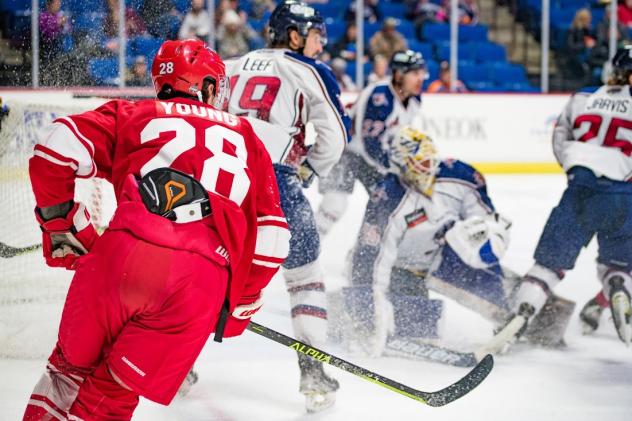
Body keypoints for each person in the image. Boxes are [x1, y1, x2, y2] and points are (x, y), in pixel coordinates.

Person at [22, 39, 290, 420]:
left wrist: (65, 228)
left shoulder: (134, 113)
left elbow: (53, 150)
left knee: (65, 374)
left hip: (119, 258)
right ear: (210, 87)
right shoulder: (247, 137)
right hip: (197, 279)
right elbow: (273, 238)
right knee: (111, 394)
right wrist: (238, 299)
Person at [225, 1, 350, 413]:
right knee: (305, 275)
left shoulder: (231, 64)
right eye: (314, 34)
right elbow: (335, 137)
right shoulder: (309, 70)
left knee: (208, 271)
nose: (320, 42)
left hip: (220, 179)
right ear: (294, 35)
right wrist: (310, 168)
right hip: (272, 180)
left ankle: (175, 360)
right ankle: (313, 371)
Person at [494, 46, 632, 352]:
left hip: (580, 191)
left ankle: (521, 315)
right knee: (617, 265)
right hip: (625, 198)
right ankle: (620, 289)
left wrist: (577, 172)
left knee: (547, 267)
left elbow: (560, 139)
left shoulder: (583, 97)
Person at [340, 126, 513, 355]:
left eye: (430, 159)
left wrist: (490, 234)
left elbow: (486, 220)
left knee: (504, 305)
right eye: (419, 162)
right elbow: (372, 257)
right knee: (419, 332)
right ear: (402, 165)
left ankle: (523, 315)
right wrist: (367, 309)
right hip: (399, 269)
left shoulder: (460, 176)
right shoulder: (387, 197)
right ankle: (342, 312)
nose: (428, 167)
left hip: (442, 257)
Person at [316, 50, 426, 236]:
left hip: (370, 160)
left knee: (388, 207)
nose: (421, 78)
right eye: (415, 73)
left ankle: (362, 255)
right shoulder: (380, 96)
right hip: (345, 151)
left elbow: (396, 138)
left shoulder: (414, 100)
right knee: (334, 205)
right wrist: (395, 167)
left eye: (422, 73)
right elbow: (370, 143)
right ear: (399, 74)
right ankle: (305, 253)